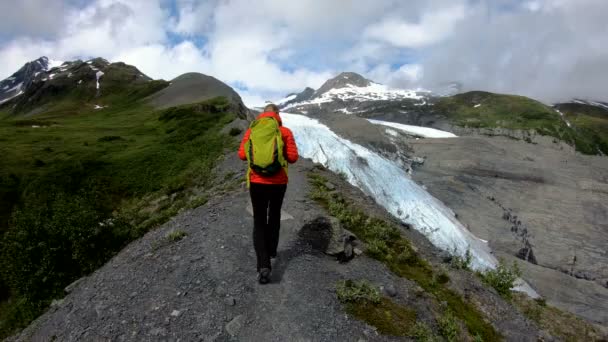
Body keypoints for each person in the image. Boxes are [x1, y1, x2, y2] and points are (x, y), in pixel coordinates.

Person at [238, 103, 299, 284]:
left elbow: (242, 155)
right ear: (277, 115)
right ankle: (272, 250)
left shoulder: (252, 131)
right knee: (274, 215)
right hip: (279, 183)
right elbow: (293, 158)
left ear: (262, 115)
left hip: (256, 182)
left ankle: (263, 264)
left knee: (259, 220)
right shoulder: (285, 131)